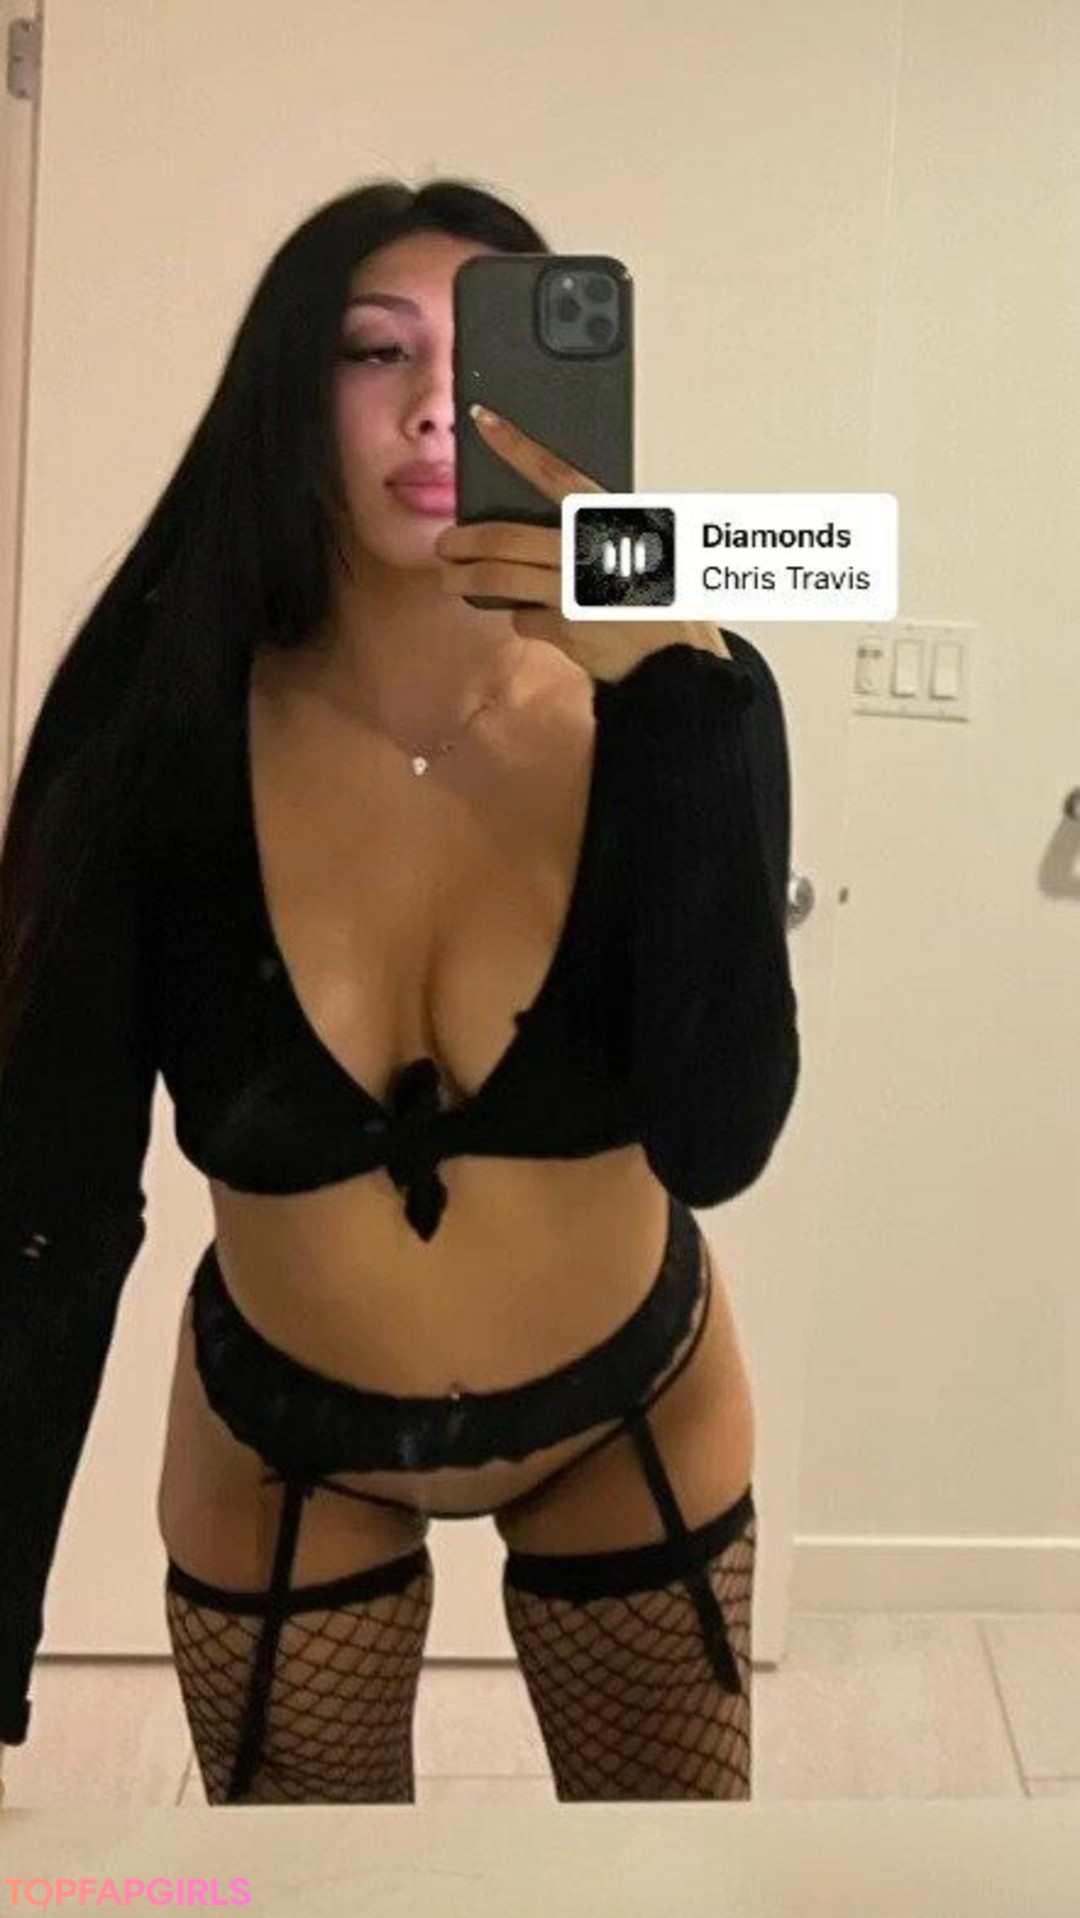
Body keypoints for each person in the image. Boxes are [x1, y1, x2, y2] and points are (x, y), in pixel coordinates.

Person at [0, 178, 799, 1807]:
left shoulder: (690, 689)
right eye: (377, 351)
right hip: (281, 1440)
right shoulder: (154, 720)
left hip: (633, 1412)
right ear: (288, 391)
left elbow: (720, 1137)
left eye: (490, 354)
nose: (439, 406)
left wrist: (682, 710)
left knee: (667, 1891)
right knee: (310, 1901)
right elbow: (44, 1207)